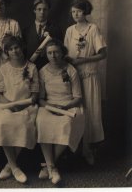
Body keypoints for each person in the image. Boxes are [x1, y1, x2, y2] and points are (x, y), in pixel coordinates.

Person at [0, 35, 39, 183]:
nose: (14, 51)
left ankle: (8, 166)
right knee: (2, 123)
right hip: (6, 105)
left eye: (16, 47)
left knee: (24, 125)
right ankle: (15, 167)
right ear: (7, 52)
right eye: (10, 49)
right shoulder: (4, 68)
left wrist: (22, 105)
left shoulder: (31, 67)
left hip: (27, 105)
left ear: (22, 48)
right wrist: (11, 105)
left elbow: (35, 93)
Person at [64, 0, 107, 165]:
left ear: (86, 11)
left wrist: (82, 60)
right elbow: (66, 53)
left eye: (79, 11)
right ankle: (72, 149)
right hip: (74, 76)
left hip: (89, 76)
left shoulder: (93, 29)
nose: (76, 15)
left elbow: (103, 54)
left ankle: (88, 150)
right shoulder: (69, 30)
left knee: (89, 112)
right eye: (73, 12)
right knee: (74, 111)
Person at [36, 39, 85, 184]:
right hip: (49, 105)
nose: (53, 55)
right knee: (42, 121)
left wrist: (64, 108)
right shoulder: (42, 71)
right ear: (46, 55)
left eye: (56, 52)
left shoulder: (71, 70)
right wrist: (50, 107)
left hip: (69, 104)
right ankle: (52, 167)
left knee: (67, 124)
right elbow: (40, 99)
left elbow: (78, 97)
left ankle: (49, 165)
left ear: (62, 53)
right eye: (50, 53)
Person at [23, 0, 63, 69]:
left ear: (48, 11)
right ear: (34, 10)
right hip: (31, 68)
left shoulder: (56, 30)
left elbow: (60, 51)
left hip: (50, 68)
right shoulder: (26, 31)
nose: (42, 12)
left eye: (45, 9)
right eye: (39, 9)